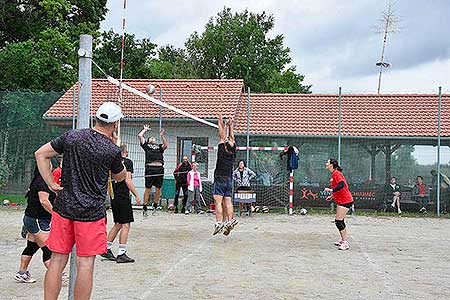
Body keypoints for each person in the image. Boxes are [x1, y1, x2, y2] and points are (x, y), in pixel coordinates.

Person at [35, 102, 126, 300]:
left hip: (64, 207)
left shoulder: (73, 136)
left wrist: (51, 183)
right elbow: (120, 177)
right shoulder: (111, 150)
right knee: (85, 264)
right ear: (115, 124)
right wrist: (116, 147)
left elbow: (40, 154)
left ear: (97, 118)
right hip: (91, 213)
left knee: (57, 261)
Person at [14, 163, 55, 283]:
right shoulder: (43, 181)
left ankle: (21, 273)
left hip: (32, 219)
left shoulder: (40, 179)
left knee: (31, 247)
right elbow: (44, 201)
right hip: (37, 220)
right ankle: (56, 274)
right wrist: (56, 214)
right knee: (48, 249)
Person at [101, 144, 142, 263]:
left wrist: (110, 194)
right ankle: (121, 253)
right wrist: (136, 195)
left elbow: (108, 181)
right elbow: (128, 180)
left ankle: (106, 249)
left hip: (114, 195)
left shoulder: (111, 163)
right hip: (123, 195)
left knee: (118, 223)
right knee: (126, 224)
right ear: (126, 152)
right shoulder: (127, 162)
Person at [212, 113, 237, 236]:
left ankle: (219, 222)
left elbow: (222, 135)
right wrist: (230, 126)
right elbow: (231, 138)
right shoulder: (232, 151)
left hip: (220, 178)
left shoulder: (222, 148)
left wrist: (220, 121)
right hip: (229, 179)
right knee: (228, 201)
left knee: (218, 202)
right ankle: (230, 221)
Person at [138, 125, 168, 216]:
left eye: (153, 138)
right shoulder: (146, 146)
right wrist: (145, 130)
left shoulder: (159, 147)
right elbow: (140, 136)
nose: (152, 138)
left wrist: (162, 136)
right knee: (148, 188)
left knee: (158, 188)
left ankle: (155, 205)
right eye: (150, 138)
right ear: (148, 140)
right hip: (150, 169)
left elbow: (166, 145)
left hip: (159, 169)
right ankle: (145, 206)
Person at [324, 158, 353, 251]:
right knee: (339, 221)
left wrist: (331, 190)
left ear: (331, 165)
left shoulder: (336, 173)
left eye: (327, 162)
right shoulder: (334, 174)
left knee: (339, 221)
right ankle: (342, 240)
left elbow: (342, 185)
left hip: (346, 201)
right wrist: (332, 196)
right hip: (341, 200)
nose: (326, 163)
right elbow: (339, 188)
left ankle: (345, 243)